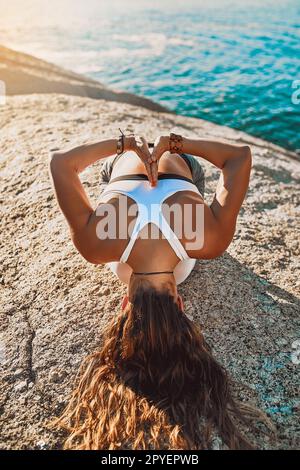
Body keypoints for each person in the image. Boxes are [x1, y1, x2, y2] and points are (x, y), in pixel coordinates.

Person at [49, 132, 273, 449]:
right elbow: (61, 164)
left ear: (179, 303)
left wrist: (175, 146)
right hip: (120, 168)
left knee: (183, 257)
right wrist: (124, 146)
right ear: (126, 302)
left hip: (182, 169)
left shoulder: (208, 240)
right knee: (120, 252)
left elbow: (239, 158)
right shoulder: (97, 245)